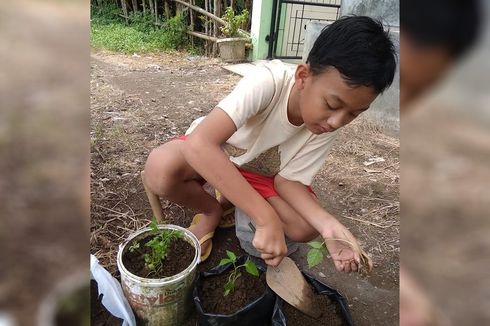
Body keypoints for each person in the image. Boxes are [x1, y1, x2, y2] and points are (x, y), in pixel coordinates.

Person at [144, 16, 396, 271]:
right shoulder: (269, 81)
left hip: (260, 173)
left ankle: (233, 197)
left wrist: (330, 227)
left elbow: (289, 181)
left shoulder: (327, 124)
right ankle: (213, 211)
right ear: (303, 76)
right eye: (332, 104)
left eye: (353, 114)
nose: (337, 121)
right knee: (160, 169)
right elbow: (199, 145)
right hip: (219, 153)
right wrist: (265, 219)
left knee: (305, 226)